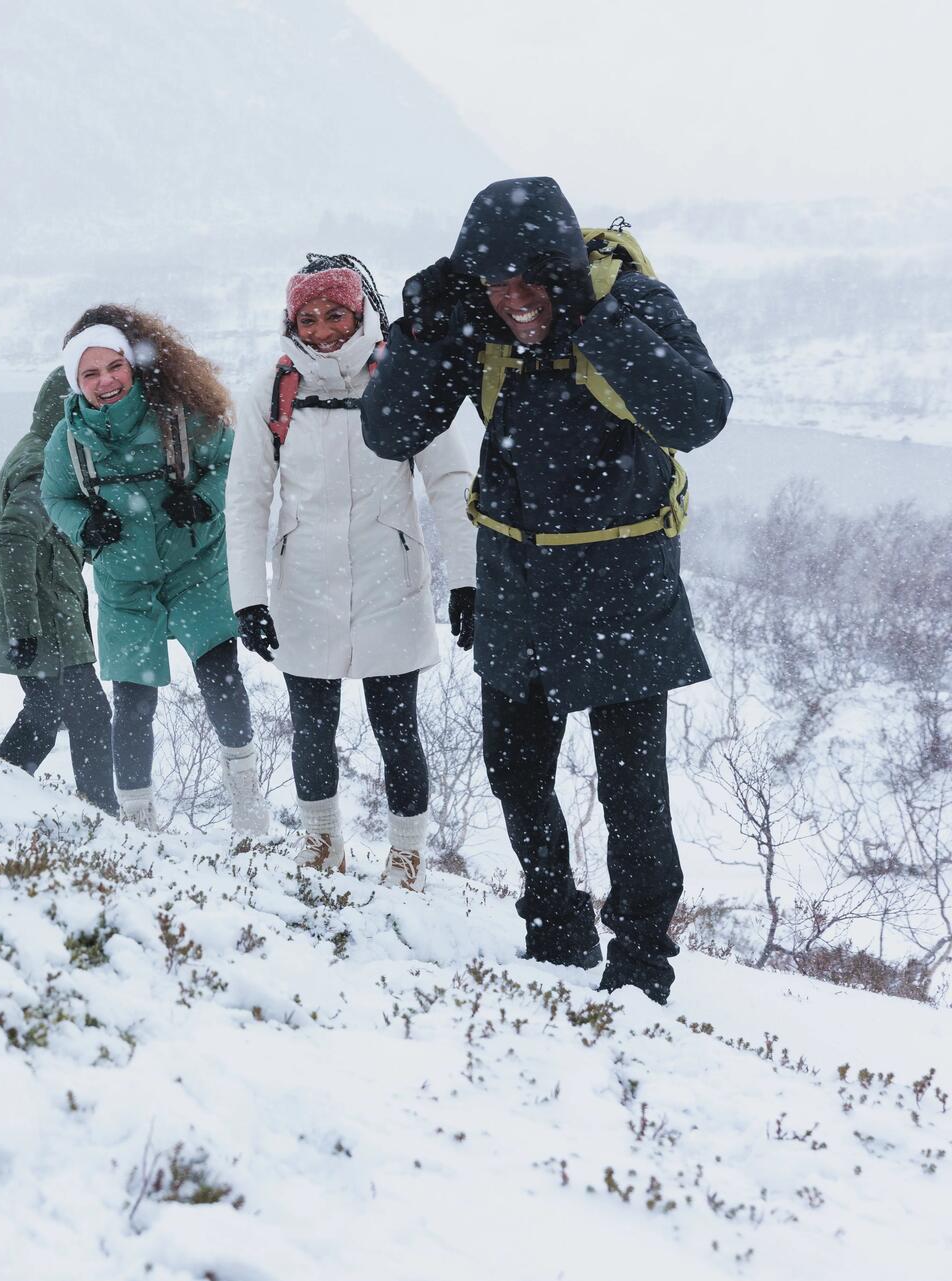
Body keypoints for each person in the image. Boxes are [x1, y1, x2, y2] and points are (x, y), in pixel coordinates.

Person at [361, 177, 731, 1004]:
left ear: (565, 267)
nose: (516, 301)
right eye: (497, 284)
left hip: (622, 580)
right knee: (514, 766)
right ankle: (554, 916)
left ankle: (639, 959)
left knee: (633, 788)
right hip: (519, 581)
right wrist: (419, 331)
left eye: (533, 281)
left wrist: (596, 324)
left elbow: (699, 413)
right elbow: (390, 431)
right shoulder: (476, 318)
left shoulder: (630, 302)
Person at [224, 255, 476, 890]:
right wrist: (249, 598)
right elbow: (246, 498)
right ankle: (320, 844)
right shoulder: (273, 390)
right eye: (308, 318)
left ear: (361, 310)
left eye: (336, 313)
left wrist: (470, 581)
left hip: (390, 579)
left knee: (398, 730)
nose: (324, 328)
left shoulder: (399, 378)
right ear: (293, 323)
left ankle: (406, 856)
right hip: (303, 584)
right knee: (310, 730)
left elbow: (450, 482)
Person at [39, 306, 267, 838]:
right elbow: (56, 495)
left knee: (222, 681)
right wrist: (83, 527)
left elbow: (235, 462)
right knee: (133, 704)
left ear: (132, 365)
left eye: (113, 367)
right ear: (76, 383)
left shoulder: (178, 417)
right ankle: (138, 821)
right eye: (90, 375)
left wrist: (205, 500)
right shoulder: (68, 441)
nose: (105, 382)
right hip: (125, 585)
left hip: (197, 569)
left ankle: (248, 803)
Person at [0, 368, 120, 817]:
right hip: (45, 617)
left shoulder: (47, 449)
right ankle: (102, 815)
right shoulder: (46, 460)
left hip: (48, 610)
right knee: (87, 716)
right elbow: (14, 539)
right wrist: (24, 630)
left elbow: (54, 539)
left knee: (47, 712)